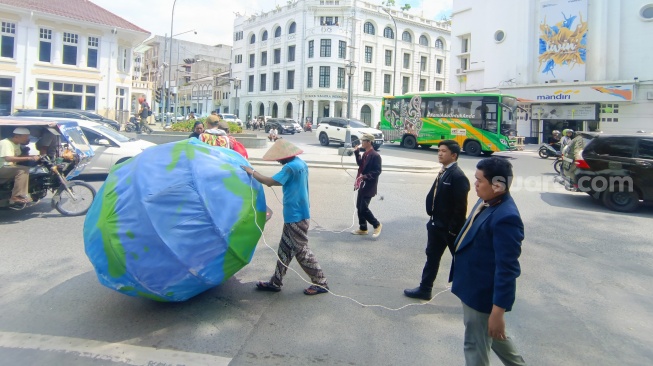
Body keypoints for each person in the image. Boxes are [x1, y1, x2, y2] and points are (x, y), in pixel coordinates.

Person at [449, 157, 526, 366]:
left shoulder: (506, 218)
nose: (475, 184)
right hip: (470, 285)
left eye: (479, 180)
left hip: (482, 296)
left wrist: (498, 312)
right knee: (494, 336)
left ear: (497, 185)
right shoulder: (486, 199)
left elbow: (507, 269)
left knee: (475, 347)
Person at [240, 139, 329, 296]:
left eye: (278, 158)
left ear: (284, 157)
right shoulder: (300, 163)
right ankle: (276, 282)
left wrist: (251, 172)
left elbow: (269, 181)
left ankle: (320, 282)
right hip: (299, 212)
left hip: (295, 215)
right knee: (284, 249)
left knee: (301, 250)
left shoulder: (290, 167)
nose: (278, 160)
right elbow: (285, 181)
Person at [404, 140, 470, 300]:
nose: (440, 153)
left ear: (453, 155)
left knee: (462, 261)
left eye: (444, 151)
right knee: (432, 257)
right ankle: (425, 289)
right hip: (435, 225)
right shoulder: (444, 171)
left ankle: (473, 294)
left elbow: (460, 208)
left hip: (449, 229)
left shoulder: (457, 176)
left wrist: (452, 230)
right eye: (439, 150)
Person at [351, 134, 383, 238]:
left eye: (363, 141)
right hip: (362, 184)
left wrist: (365, 177)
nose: (362, 143)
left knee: (363, 208)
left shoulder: (375, 155)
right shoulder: (366, 154)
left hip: (369, 185)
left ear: (369, 142)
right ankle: (363, 228)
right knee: (358, 206)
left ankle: (377, 224)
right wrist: (357, 153)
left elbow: (377, 171)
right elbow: (361, 164)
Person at [0, 127, 40, 207]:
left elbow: (18, 157)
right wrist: (29, 158)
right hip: (2, 167)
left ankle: (28, 193)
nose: (28, 139)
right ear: (17, 136)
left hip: (10, 167)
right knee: (22, 170)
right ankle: (16, 196)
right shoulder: (5, 143)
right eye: (26, 137)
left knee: (31, 169)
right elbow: (8, 158)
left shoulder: (17, 144)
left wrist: (35, 156)